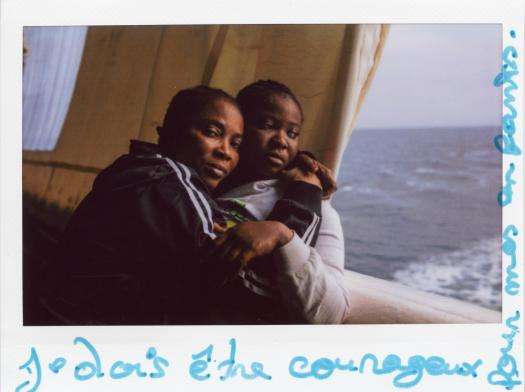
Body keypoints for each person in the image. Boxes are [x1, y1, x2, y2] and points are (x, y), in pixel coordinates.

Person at [41, 85, 323, 325]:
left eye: (236, 143)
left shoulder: (145, 173)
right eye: (212, 132)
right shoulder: (166, 184)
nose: (225, 151)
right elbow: (256, 288)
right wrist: (303, 198)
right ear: (169, 134)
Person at [212, 80, 350, 324]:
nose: (281, 141)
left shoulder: (318, 210)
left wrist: (283, 237)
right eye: (267, 126)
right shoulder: (208, 180)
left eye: (292, 133)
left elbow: (332, 314)